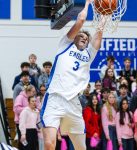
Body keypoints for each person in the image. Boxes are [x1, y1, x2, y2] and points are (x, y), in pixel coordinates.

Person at [40, 0, 103, 149]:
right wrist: (87, 3)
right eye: (81, 36)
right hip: (55, 98)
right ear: (74, 37)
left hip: (74, 102)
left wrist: (104, 15)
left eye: (86, 39)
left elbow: (98, 35)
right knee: (49, 144)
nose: (84, 38)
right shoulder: (65, 45)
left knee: (81, 147)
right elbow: (80, 20)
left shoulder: (89, 55)